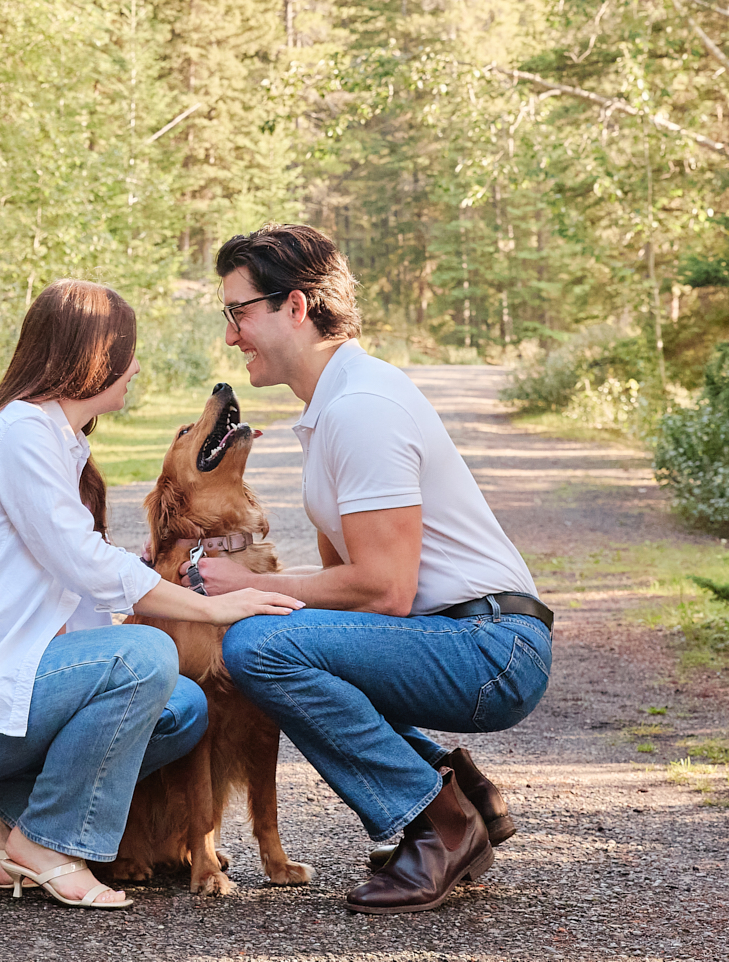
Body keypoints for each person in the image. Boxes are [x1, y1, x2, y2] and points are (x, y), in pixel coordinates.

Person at [0, 279, 303, 909]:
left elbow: (79, 589)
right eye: (126, 352)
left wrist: (159, 576)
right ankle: (47, 841)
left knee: (183, 708)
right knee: (144, 658)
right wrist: (210, 607)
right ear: (90, 356)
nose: (135, 367)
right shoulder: (21, 432)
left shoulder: (62, 446)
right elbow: (82, 562)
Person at [192, 224, 554, 914]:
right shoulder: (332, 407)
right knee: (281, 644)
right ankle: (454, 788)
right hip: (455, 638)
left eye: (238, 312)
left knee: (258, 647)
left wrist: (254, 586)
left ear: (294, 307)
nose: (232, 335)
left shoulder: (361, 409)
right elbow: (346, 595)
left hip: (491, 648)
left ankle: (433, 820)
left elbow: (385, 589)